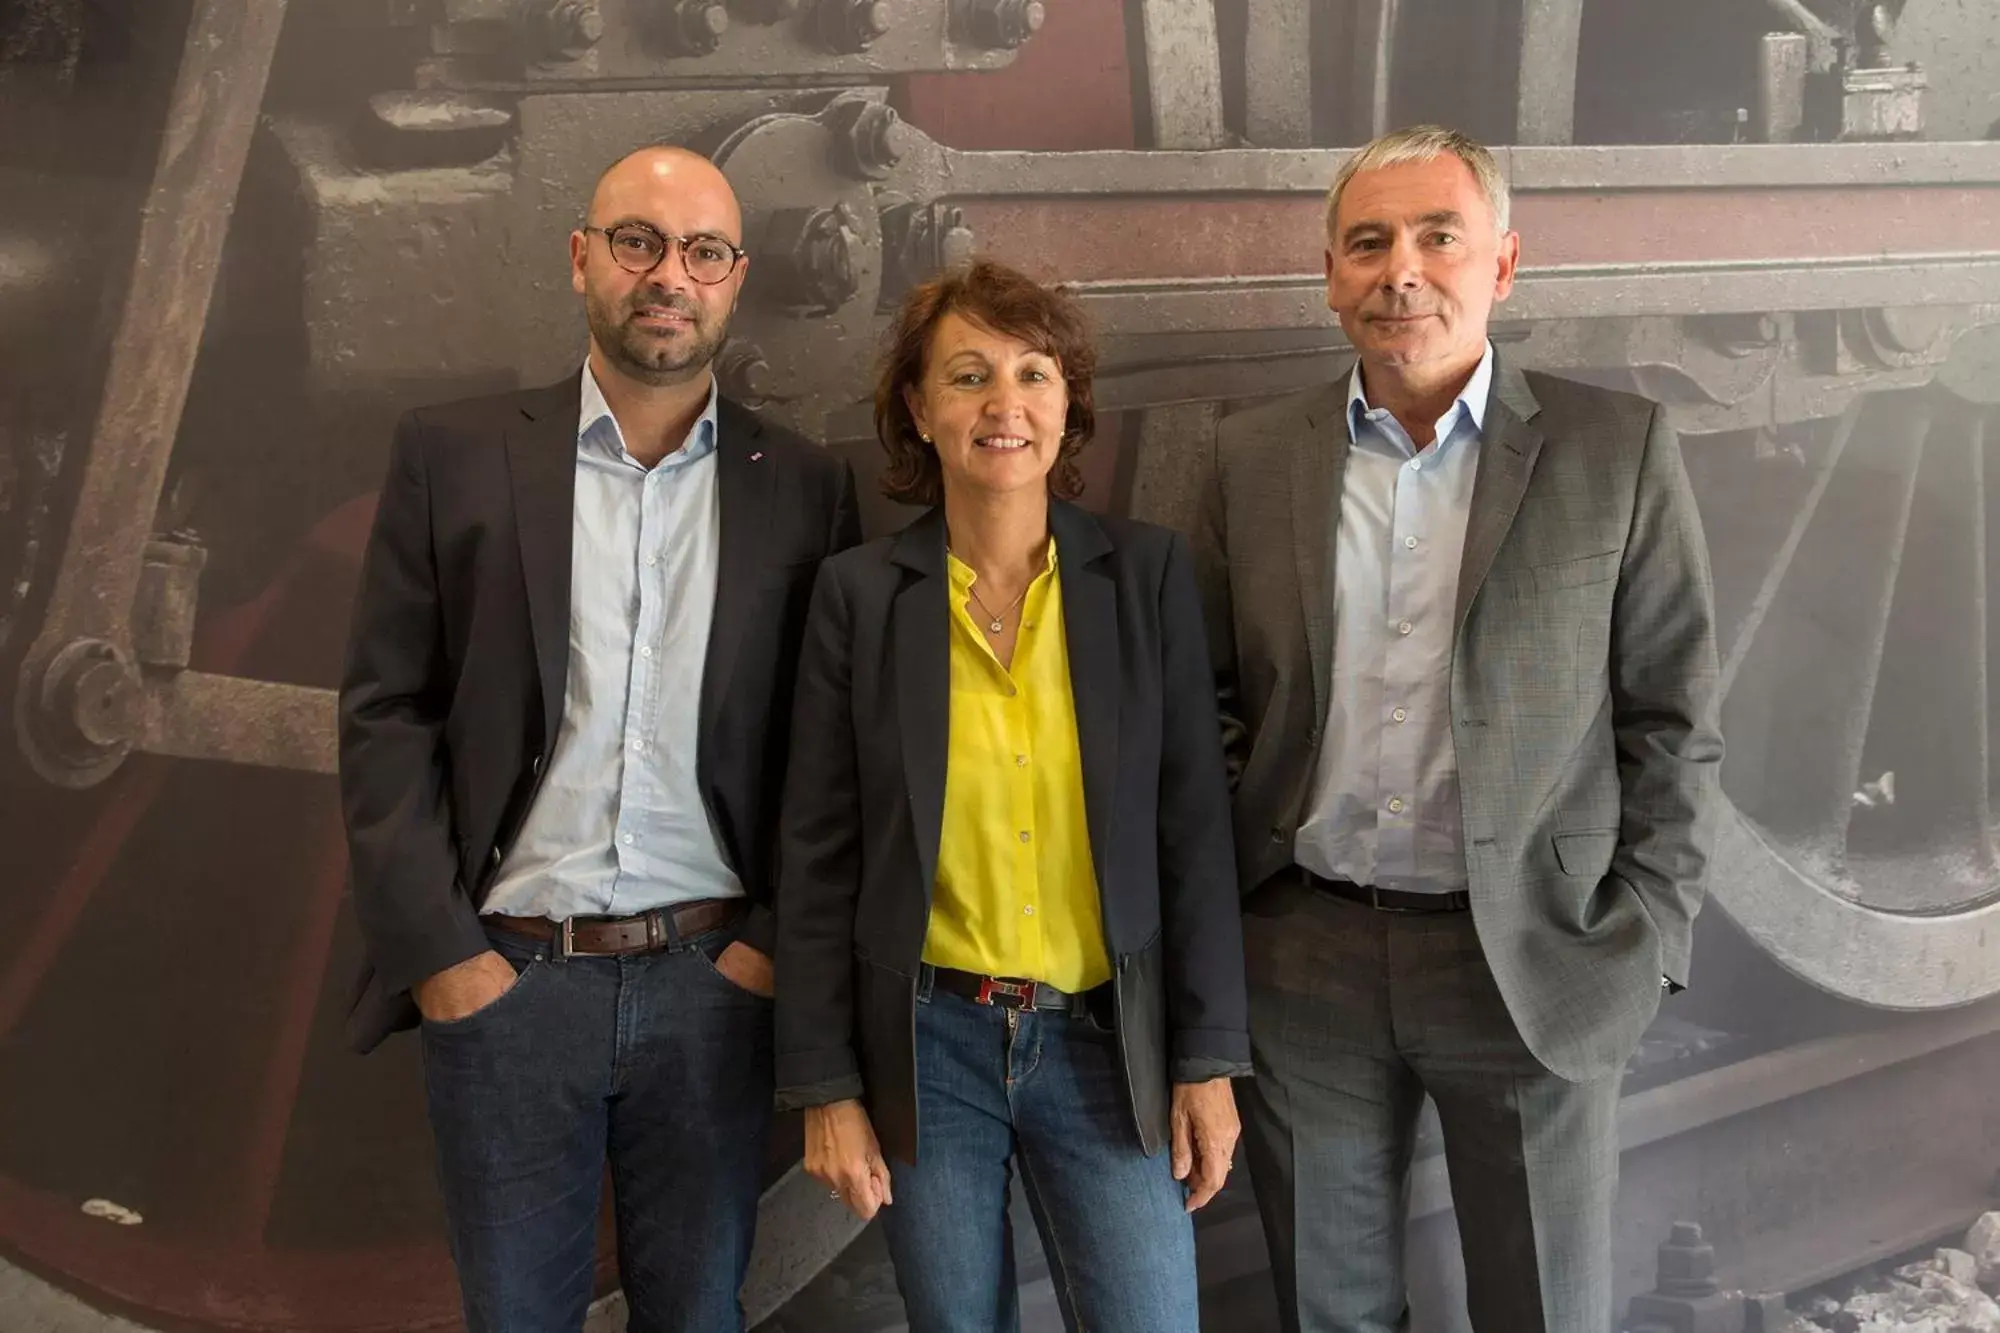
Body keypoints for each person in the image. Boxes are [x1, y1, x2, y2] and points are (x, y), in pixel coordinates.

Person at [1179, 125, 1723, 1332]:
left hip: (1531, 963)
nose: (1400, 269)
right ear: (1329, 274)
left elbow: (1672, 719)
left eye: (1438, 236)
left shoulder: (1611, 450)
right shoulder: (1247, 456)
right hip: (1303, 962)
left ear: (1504, 262)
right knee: (1329, 1309)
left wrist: (1646, 941)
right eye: (1366, 243)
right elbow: (1206, 704)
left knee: (1544, 1310)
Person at [337, 145, 861, 1332]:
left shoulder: (805, 486)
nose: (667, 275)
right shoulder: (453, 455)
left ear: (734, 281)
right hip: (509, 984)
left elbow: (827, 754)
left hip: (713, 989)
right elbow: (384, 712)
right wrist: (446, 961)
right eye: (637, 242)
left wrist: (767, 951)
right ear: (581, 260)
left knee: (697, 1316)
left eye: (702, 252)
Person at [774, 258, 1250, 1333]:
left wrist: (1207, 1060)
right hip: (924, 1044)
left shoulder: (1147, 578)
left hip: (1104, 1040)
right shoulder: (857, 598)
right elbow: (816, 854)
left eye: (1034, 374)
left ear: (1067, 403)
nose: (1004, 405)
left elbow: (1193, 833)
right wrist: (823, 1086)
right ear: (917, 406)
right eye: (969, 375)